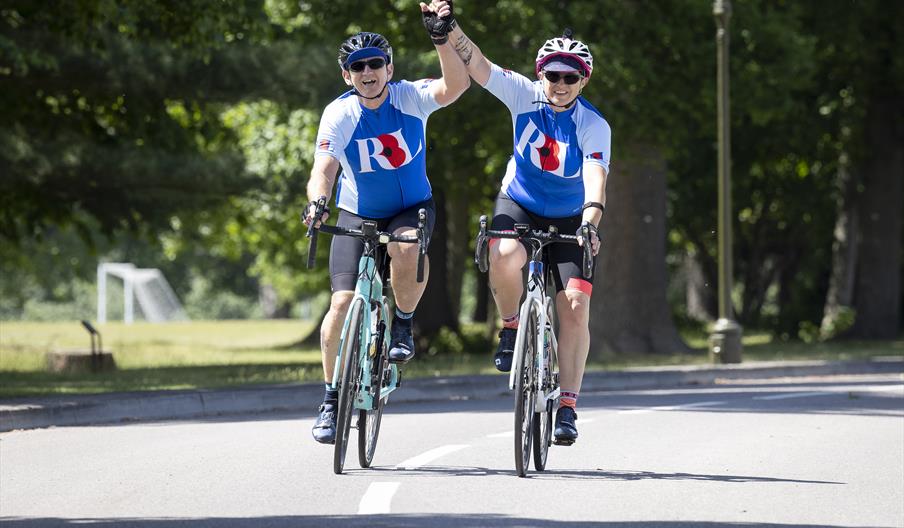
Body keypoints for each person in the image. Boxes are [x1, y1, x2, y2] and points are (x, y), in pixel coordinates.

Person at [438, 11, 611, 445]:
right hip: (520, 203)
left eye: (571, 77)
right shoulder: (523, 95)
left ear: (583, 81)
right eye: (553, 74)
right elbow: (477, 64)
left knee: (573, 306)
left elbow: (596, 178)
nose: (561, 83)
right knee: (503, 254)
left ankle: (568, 406)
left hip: (573, 216)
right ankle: (512, 326)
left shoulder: (593, 124)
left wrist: (590, 220)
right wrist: (448, 28)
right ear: (541, 75)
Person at [304, 1, 468, 444]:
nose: (368, 72)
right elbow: (324, 168)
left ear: (389, 68)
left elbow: (456, 85)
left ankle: (402, 323)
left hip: (410, 207)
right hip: (357, 212)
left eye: (376, 63)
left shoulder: (410, 97)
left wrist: (441, 37)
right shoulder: (339, 114)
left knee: (408, 244)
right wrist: (318, 203)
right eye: (358, 67)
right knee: (339, 305)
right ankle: (331, 397)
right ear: (347, 76)